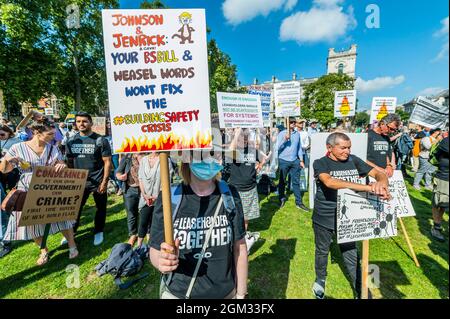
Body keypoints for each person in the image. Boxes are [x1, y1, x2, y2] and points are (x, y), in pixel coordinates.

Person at [149, 153, 248, 299]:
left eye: (213, 152)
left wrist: (241, 295)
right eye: (200, 153)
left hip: (225, 294)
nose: (207, 158)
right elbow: (155, 249)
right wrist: (161, 262)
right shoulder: (169, 198)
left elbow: (240, 248)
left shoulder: (230, 195)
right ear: (187, 157)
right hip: (179, 294)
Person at [312, 132, 391, 299]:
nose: (346, 151)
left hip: (349, 217)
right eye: (343, 148)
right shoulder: (320, 163)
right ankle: (320, 279)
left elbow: (379, 173)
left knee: (351, 253)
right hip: (324, 216)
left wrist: (381, 183)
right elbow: (330, 182)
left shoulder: (353, 160)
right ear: (330, 148)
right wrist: (368, 188)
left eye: (349, 148)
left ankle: (361, 291)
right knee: (322, 250)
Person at [0, 118, 78, 265]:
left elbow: (61, 163)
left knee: (62, 217)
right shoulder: (18, 147)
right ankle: (44, 251)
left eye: (54, 134)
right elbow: (4, 170)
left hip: (49, 186)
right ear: (36, 132)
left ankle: (72, 245)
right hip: (27, 188)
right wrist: (8, 160)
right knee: (32, 223)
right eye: (50, 134)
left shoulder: (52, 148)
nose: (53, 137)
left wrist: (62, 165)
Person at [65, 112, 112, 246]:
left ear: (91, 123)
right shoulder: (71, 141)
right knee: (75, 208)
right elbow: (69, 162)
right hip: (78, 182)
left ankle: (98, 231)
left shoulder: (100, 140)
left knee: (100, 207)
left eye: (84, 121)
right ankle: (72, 231)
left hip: (97, 181)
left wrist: (105, 181)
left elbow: (107, 162)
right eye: (78, 121)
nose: (81, 124)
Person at [228, 128, 267, 253]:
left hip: (250, 188)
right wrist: (237, 132)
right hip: (236, 188)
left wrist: (258, 168)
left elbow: (263, 159)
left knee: (246, 216)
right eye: (241, 139)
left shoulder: (252, 151)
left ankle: (243, 238)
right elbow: (229, 152)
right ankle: (234, 240)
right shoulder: (234, 152)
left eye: (246, 138)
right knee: (235, 216)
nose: (244, 141)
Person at [137, 152, 172, 248]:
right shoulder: (144, 160)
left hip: (159, 198)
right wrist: (144, 195)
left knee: (155, 223)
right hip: (145, 198)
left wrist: (157, 197)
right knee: (143, 221)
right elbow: (140, 178)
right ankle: (139, 246)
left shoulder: (165, 160)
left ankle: (152, 246)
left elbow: (168, 180)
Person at [276, 117, 307, 211]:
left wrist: (301, 160)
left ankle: (299, 202)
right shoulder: (282, 133)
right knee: (282, 182)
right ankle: (281, 198)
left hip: (295, 161)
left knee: (296, 182)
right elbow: (276, 147)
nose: (293, 123)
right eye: (291, 122)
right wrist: (285, 139)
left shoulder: (297, 134)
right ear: (287, 123)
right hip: (283, 161)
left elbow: (299, 149)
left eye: (294, 122)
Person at [116, 153, 145, 247]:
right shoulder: (127, 158)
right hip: (130, 189)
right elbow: (118, 172)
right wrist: (120, 177)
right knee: (131, 213)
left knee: (145, 211)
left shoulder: (147, 157)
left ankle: (148, 232)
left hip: (144, 189)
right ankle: (133, 234)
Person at [366, 114, 401, 178]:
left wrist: (389, 165)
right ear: (382, 124)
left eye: (394, 130)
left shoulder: (386, 138)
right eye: (391, 129)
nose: (392, 132)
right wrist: (378, 168)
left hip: (384, 173)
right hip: (369, 173)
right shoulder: (367, 135)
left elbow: (387, 154)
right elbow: (361, 158)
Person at [430, 136, 449, 241]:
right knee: (439, 203)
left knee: (444, 204)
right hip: (444, 177)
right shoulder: (446, 141)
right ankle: (436, 227)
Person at [0, 124, 21, 191]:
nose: (0, 136)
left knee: (12, 187)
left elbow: (23, 152)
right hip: (1, 167)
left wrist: (9, 154)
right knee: (2, 187)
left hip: (12, 168)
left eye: (2, 134)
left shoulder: (16, 140)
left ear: (8, 132)